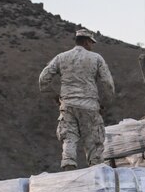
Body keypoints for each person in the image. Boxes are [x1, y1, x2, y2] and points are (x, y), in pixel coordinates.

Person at [38, 28, 116, 170]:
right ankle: (96, 171)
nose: (92, 46)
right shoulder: (96, 58)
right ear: (87, 42)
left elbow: (43, 79)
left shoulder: (61, 57)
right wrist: (104, 104)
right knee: (94, 142)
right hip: (90, 106)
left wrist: (55, 96)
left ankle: (69, 166)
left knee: (69, 138)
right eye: (91, 43)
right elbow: (108, 84)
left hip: (67, 105)